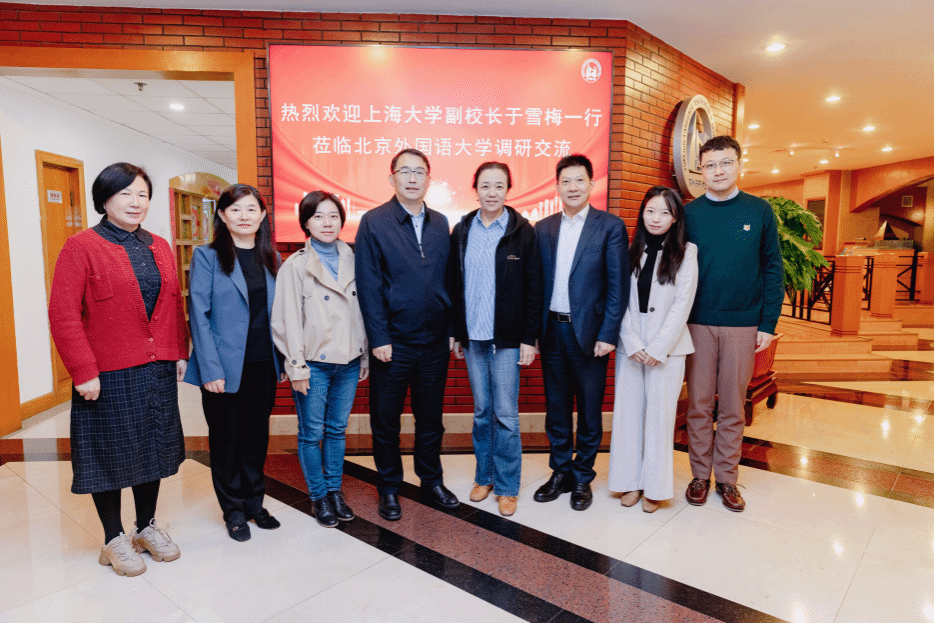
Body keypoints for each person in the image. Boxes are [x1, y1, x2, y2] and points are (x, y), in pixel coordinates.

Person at [48, 162, 188, 577]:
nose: (135, 202)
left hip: (156, 367)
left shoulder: (159, 245)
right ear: (104, 199)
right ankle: (113, 539)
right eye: (125, 193)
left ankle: (146, 528)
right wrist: (83, 370)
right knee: (108, 454)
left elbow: (172, 303)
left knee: (152, 448)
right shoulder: (81, 246)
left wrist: (178, 351)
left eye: (142, 194)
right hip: (105, 373)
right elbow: (63, 314)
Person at [355, 148, 458, 521]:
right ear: (392, 178)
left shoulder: (440, 223)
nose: (412, 178)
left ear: (429, 179)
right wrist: (379, 337)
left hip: (434, 343)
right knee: (386, 420)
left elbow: (450, 280)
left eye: (419, 172)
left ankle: (431, 480)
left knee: (431, 419)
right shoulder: (374, 222)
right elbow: (368, 285)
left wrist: (451, 330)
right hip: (393, 344)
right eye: (405, 171)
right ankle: (389, 487)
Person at [683, 135, 783, 512]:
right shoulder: (690, 214)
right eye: (710, 165)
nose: (718, 171)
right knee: (698, 404)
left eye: (725, 163)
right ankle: (699, 475)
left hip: (743, 324)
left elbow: (773, 268)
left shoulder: (758, 211)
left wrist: (767, 323)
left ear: (739, 164)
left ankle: (726, 478)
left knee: (732, 407)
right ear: (701, 171)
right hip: (697, 324)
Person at [185, 184, 284, 541]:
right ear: (222, 215)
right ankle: (233, 510)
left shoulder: (272, 258)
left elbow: (280, 314)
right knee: (227, 441)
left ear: (262, 215)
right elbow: (198, 314)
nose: (244, 216)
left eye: (251, 209)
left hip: (263, 363)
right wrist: (210, 369)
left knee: (256, 438)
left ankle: (255, 503)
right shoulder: (207, 256)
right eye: (236, 209)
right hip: (223, 367)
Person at [533, 154, 629, 511]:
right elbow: (536, 285)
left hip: (591, 335)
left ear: (591, 184)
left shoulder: (610, 227)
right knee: (556, 409)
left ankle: (582, 476)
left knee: (589, 411)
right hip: (552, 331)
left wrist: (608, 333)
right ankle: (560, 472)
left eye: (579, 180)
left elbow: (618, 287)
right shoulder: (543, 228)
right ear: (557, 187)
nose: (572, 187)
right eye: (566, 181)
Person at [271, 191, 368, 528]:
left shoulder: (355, 258)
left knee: (337, 430)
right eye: (318, 216)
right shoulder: (295, 265)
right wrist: (296, 366)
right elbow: (285, 321)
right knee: (312, 432)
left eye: (333, 216)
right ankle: (318, 496)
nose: (327, 223)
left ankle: (334, 490)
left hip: (349, 361)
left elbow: (361, 312)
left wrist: (364, 355)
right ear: (306, 223)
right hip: (313, 364)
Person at [450, 162, 542, 517]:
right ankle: (484, 476)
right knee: (482, 412)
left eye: (499, 186)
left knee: (505, 414)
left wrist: (528, 338)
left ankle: (506, 486)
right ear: (475, 189)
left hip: (507, 339)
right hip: (473, 337)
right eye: (485, 186)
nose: (492, 192)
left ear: (508, 190)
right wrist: (456, 331)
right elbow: (454, 284)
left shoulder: (522, 232)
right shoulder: (462, 229)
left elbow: (534, 288)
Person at [608, 186, 698, 512]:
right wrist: (632, 342)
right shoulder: (629, 251)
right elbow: (617, 299)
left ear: (675, 218)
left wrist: (658, 348)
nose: (656, 218)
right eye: (650, 211)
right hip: (631, 346)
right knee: (629, 417)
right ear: (642, 214)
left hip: (668, 349)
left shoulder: (687, 253)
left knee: (659, 419)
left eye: (664, 212)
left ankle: (655, 489)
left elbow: (682, 305)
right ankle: (629, 483)